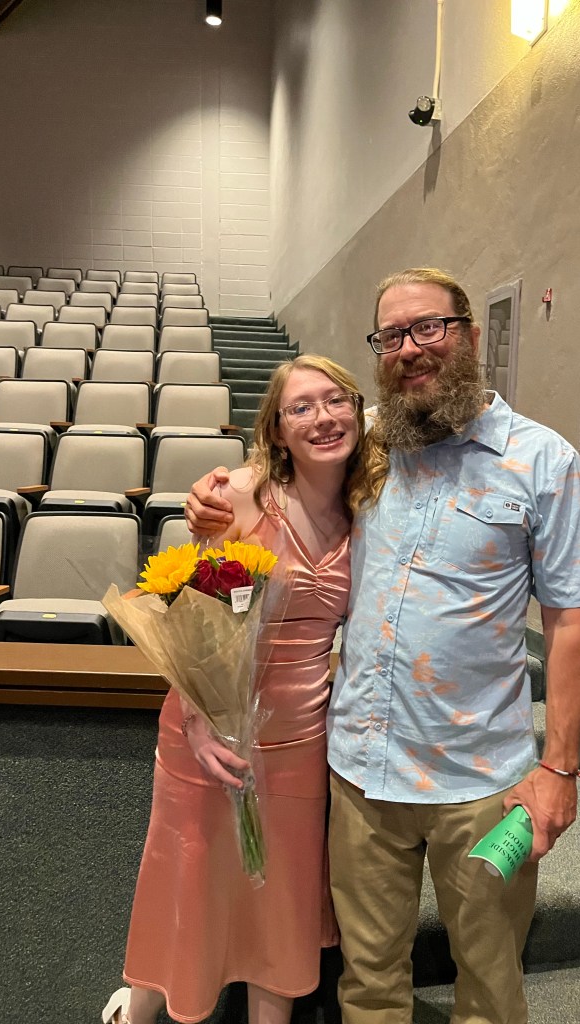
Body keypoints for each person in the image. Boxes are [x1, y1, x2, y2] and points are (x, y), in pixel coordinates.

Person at [185, 268, 580, 1024]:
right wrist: (215, 498)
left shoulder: (543, 460)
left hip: (480, 780)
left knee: (490, 981)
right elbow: (280, 467)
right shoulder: (367, 441)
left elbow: (571, 621)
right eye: (392, 336)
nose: (411, 348)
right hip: (363, 770)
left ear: (470, 335)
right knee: (368, 982)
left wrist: (559, 767)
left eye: (429, 327)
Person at [103, 354, 369, 1024]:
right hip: (207, 729)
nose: (322, 417)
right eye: (300, 407)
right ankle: (139, 1010)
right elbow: (191, 617)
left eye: (335, 400)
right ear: (277, 429)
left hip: (301, 740)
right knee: (188, 881)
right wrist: (200, 722)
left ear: (357, 411)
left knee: (279, 903)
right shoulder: (239, 496)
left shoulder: (370, 507)